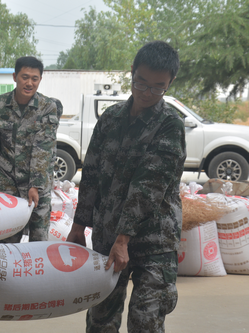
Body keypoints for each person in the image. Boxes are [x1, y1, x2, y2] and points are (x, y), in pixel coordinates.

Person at [67, 41, 186, 332]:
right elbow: (91, 175)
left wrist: (124, 240)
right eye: (141, 83)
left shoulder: (170, 124)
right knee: (101, 318)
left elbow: (149, 186)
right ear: (132, 72)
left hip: (154, 240)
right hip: (108, 236)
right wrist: (78, 226)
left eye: (158, 87)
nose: (147, 93)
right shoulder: (110, 119)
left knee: (145, 321)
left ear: (170, 83)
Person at [0, 56, 61, 243]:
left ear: (41, 79)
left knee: (38, 238)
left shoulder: (48, 107)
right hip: (6, 182)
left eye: (35, 78)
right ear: (15, 76)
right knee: (7, 238)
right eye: (25, 77)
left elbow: (44, 148)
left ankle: (36, 273)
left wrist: (35, 185)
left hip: (38, 183)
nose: (29, 83)